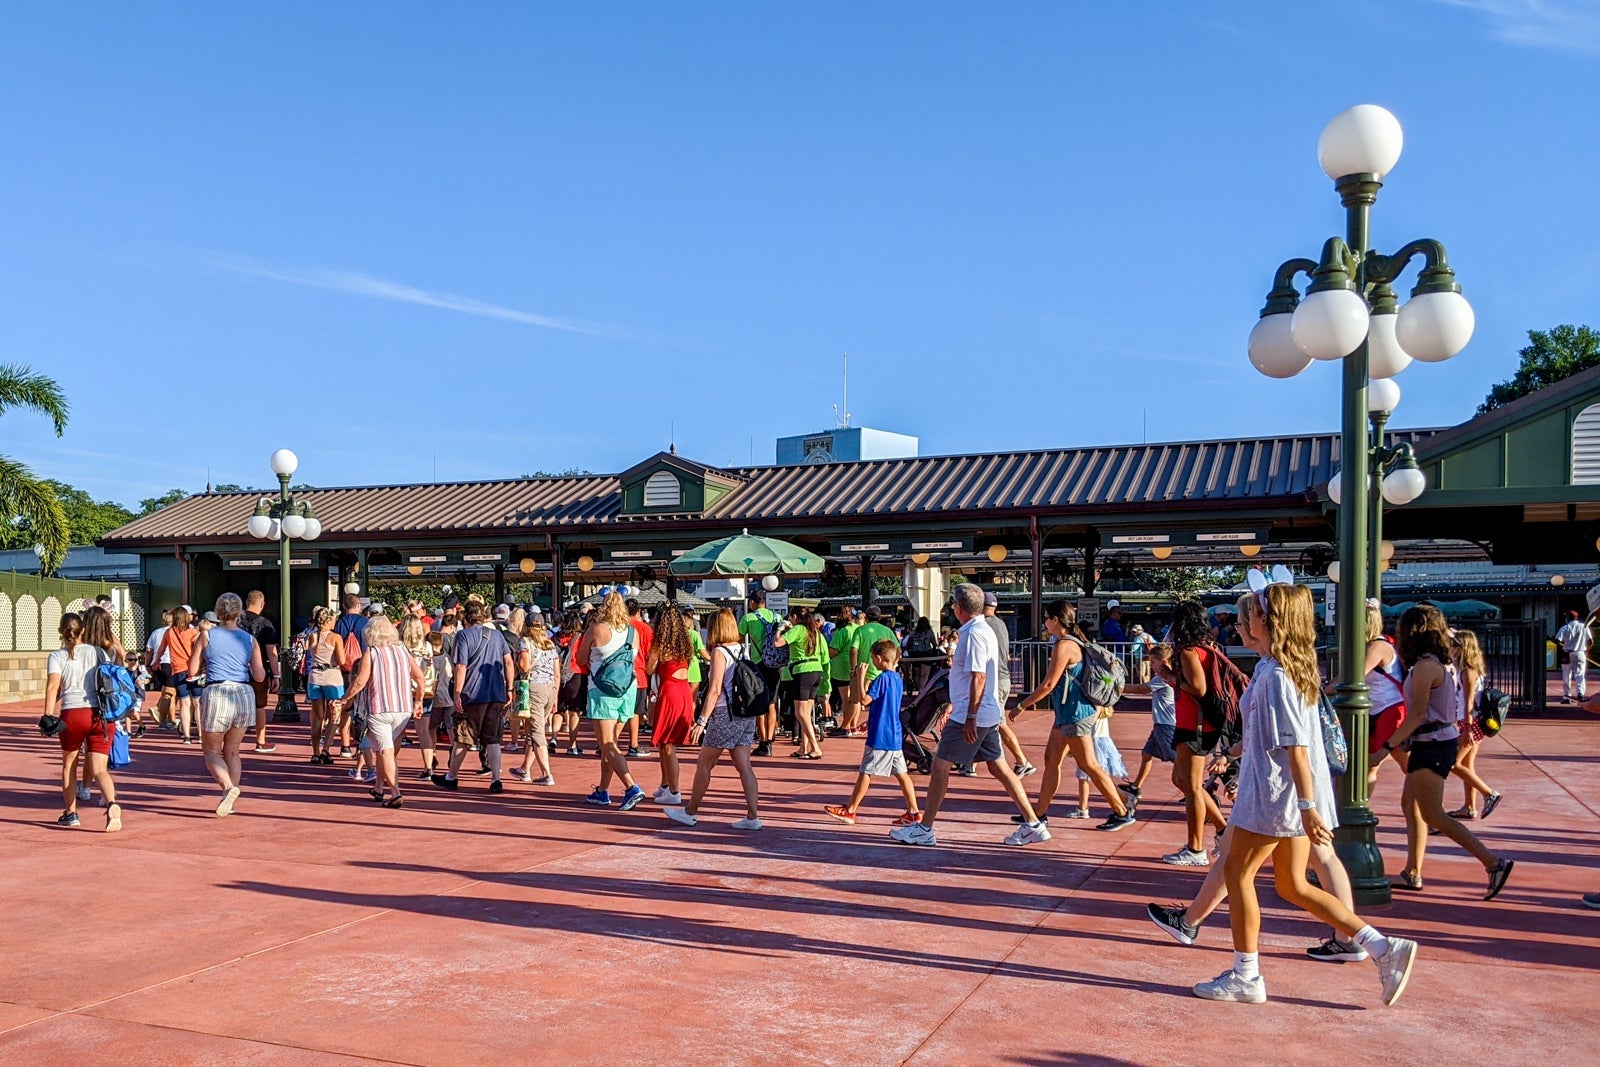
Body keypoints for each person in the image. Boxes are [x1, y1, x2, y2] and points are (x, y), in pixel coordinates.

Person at [1169, 584, 1417, 1005]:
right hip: (1281, 794)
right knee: (1291, 885)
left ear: (1269, 621)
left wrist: (1305, 806)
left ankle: (1247, 974)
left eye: (1256, 611)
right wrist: (1234, 754)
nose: (1247, 616)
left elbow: (1296, 745)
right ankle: (1381, 947)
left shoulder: (1278, 675)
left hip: (1274, 796)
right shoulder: (1281, 667)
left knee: (1238, 875)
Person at [890, 583, 1048, 847]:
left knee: (941, 766)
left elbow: (979, 676)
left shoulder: (974, 634)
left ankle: (926, 828)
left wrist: (970, 715)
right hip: (982, 712)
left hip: (971, 715)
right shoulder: (981, 630)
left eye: (953, 604)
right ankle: (1032, 823)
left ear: (959, 608)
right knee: (999, 767)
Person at [1381, 605, 1514, 898]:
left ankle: (1493, 863)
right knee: (1411, 805)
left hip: (1432, 743)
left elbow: (1416, 716)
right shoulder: (1438, 663)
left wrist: (1387, 747)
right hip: (1435, 741)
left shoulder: (1426, 667)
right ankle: (1412, 871)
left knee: (1433, 814)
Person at [1013, 599, 1135, 831]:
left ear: (1055, 620)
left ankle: (1121, 811)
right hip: (1067, 712)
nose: (1045, 623)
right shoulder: (1070, 642)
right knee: (1052, 759)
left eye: (1046, 618)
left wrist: (1022, 705)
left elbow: (1049, 684)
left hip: (1075, 713)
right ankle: (1039, 813)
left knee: (1088, 764)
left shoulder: (1065, 646)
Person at [664, 608, 762, 830]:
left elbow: (715, 688)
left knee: (705, 764)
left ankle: (691, 811)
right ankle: (752, 815)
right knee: (744, 765)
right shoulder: (741, 650)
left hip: (724, 715)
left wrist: (702, 720)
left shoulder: (720, 653)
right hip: (745, 715)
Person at [824, 639, 921, 826]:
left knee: (866, 771)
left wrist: (860, 677)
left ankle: (850, 810)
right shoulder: (897, 678)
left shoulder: (882, 678)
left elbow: (864, 700)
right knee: (902, 774)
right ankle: (913, 812)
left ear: (878, 658)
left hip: (880, 735)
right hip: (893, 734)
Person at [188, 593, 267, 817]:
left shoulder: (206, 635)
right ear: (239, 612)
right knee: (232, 751)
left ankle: (228, 788)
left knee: (212, 750)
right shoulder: (249, 639)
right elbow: (259, 676)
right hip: (243, 692)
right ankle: (229, 800)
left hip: (217, 691)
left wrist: (206, 663)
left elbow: (192, 670)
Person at [44, 611, 123, 831]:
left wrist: (48, 716)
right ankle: (112, 803)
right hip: (100, 715)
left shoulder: (57, 656)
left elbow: (53, 687)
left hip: (73, 713)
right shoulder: (97, 652)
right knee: (99, 769)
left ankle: (71, 813)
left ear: (61, 632)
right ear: (83, 630)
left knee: (69, 764)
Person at [1165, 599, 1229, 865]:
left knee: (1190, 787)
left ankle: (1195, 848)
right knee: (1180, 780)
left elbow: (1198, 688)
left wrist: (1169, 676)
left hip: (1195, 725)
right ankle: (1223, 830)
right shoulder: (1209, 647)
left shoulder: (1189, 651)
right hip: (1198, 724)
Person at [574, 592, 646, 811]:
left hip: (602, 689)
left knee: (606, 743)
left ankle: (631, 786)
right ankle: (602, 791)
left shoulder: (596, 629)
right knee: (611, 743)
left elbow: (579, 658)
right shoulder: (633, 631)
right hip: (627, 689)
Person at [342, 615, 424, 808]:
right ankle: (379, 787)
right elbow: (420, 677)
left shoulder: (372, 652)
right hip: (402, 708)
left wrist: (345, 698)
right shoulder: (403, 651)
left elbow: (360, 681)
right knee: (384, 751)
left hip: (379, 708)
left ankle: (395, 793)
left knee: (385, 751)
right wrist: (418, 700)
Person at [436, 600, 514, 794]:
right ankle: (496, 779)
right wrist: (510, 688)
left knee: (464, 737)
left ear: (465, 617)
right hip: (496, 692)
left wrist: (457, 693)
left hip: (472, 693)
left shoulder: (463, 636)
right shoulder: (498, 635)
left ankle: (451, 777)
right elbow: (509, 662)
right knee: (493, 738)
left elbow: (461, 666)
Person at [1448, 629, 1502, 821]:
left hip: (1471, 722)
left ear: (1463, 648)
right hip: (1472, 721)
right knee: (1466, 765)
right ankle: (1469, 806)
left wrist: (1467, 729)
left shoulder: (1468, 672)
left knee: (1453, 763)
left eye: (1455, 645)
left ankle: (1489, 794)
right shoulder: (1471, 669)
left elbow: (1469, 702)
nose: (1452, 648)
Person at [647, 606, 696, 804]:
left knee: (667, 744)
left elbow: (650, 669)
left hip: (669, 692)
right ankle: (665, 785)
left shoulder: (661, 645)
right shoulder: (685, 644)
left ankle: (674, 792)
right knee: (664, 743)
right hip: (683, 691)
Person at [983, 592, 1034, 778]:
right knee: (991, 722)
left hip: (993, 678)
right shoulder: (1001, 624)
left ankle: (1022, 761)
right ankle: (969, 761)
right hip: (1003, 676)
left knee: (997, 722)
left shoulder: (984, 625)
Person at [1123, 643, 1177, 808]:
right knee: (1147, 753)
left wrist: (1117, 688)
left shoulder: (1163, 677)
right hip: (1159, 725)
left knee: (1177, 759)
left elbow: (1142, 689)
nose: (1151, 666)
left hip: (1166, 725)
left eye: (1153, 663)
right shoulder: (1164, 676)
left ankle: (1197, 788)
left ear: (1164, 662)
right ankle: (1136, 786)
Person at [1364, 599, 1408, 793]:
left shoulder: (1377, 646)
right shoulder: (1377, 644)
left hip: (1390, 709)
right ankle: (1361, 808)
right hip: (1379, 709)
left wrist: (1325, 687)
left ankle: (1427, 808)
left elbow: (1356, 675)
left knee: (1405, 762)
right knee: (1371, 764)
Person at [774, 609, 829, 759]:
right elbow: (825, 655)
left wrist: (780, 628)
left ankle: (815, 747)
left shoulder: (798, 629)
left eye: (791, 617)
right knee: (806, 713)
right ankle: (803, 746)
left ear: (795, 617)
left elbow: (777, 643)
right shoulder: (816, 632)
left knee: (800, 713)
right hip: (817, 670)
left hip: (802, 671)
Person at [514, 621, 558, 786]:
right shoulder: (550, 644)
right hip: (550, 687)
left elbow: (525, 666)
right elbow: (557, 672)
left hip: (534, 687)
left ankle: (547, 773)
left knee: (537, 731)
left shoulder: (525, 642)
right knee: (536, 729)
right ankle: (525, 768)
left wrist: (519, 662)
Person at [738, 589, 780, 755]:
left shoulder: (748, 618)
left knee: (759, 702)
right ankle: (770, 739)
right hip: (776, 665)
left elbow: (739, 639)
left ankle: (763, 742)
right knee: (772, 703)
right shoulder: (777, 617)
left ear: (752, 603)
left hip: (759, 663)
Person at [238, 590, 280, 754]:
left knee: (237, 705)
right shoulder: (265, 624)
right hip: (259, 669)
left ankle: (232, 740)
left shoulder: (236, 621)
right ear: (262, 604)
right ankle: (260, 741)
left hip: (237, 669)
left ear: (246, 602)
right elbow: (271, 651)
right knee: (259, 706)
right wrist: (276, 675)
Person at [844, 606, 896, 737]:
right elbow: (898, 649)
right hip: (883, 670)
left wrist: (853, 668)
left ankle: (849, 727)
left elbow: (853, 650)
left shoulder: (860, 630)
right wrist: (892, 664)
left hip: (864, 669)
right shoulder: (887, 631)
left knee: (855, 700)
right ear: (880, 617)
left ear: (866, 617)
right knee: (886, 701)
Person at [305, 607, 347, 765]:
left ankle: (315, 752)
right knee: (335, 715)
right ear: (328, 620)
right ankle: (326, 750)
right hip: (332, 678)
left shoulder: (311, 636)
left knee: (317, 717)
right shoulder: (335, 637)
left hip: (315, 678)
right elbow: (342, 661)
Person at [154, 605, 200, 744]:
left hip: (178, 670)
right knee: (197, 703)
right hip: (193, 670)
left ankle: (186, 736)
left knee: (184, 703)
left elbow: (161, 649)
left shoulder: (169, 633)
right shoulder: (192, 633)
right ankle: (201, 735)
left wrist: (156, 661)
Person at [333, 592, 370, 757]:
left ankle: (345, 744)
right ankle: (362, 745)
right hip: (364, 667)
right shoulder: (366, 623)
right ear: (358, 606)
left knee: (346, 705)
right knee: (364, 708)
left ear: (344, 607)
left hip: (345, 669)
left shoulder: (339, 623)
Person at [420, 630, 452, 780]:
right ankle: (452, 751)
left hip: (435, 698)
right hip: (448, 698)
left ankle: (431, 755)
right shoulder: (448, 659)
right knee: (450, 728)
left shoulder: (429, 661)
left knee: (430, 729)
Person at [625, 598, 653, 758]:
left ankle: (608, 742)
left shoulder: (618, 627)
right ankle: (633, 744)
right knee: (635, 711)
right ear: (639, 612)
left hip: (619, 674)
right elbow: (650, 652)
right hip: (639, 673)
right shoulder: (644, 629)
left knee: (619, 711)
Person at [826, 607, 859, 731]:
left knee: (846, 699)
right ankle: (853, 726)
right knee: (855, 699)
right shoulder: (857, 629)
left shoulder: (841, 631)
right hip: (855, 665)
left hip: (841, 667)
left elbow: (834, 650)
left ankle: (845, 726)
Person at [145, 607, 175, 729]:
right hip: (170, 664)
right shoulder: (174, 632)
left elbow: (148, 650)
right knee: (169, 694)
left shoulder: (156, 632)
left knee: (169, 692)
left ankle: (171, 719)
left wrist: (148, 665)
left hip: (157, 665)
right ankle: (161, 717)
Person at [1556, 610, 1592, 702]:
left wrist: (1564, 645)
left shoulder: (1565, 628)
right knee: (1580, 674)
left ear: (1568, 618)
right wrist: (1586, 650)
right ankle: (1580, 693)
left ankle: (1567, 696)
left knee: (1566, 675)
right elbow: (1591, 641)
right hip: (1580, 652)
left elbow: (1557, 640)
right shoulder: (1584, 627)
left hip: (1567, 652)